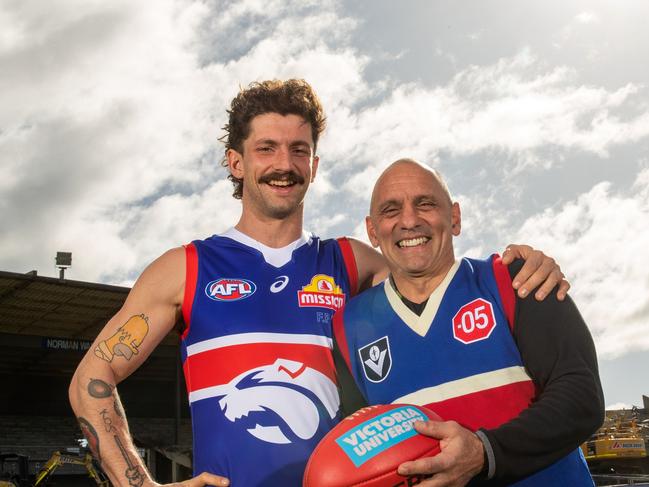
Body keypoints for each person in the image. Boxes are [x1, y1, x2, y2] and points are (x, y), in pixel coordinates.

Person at [69, 80, 570, 487]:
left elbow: (435, 272)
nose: (283, 164)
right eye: (266, 148)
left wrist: (520, 265)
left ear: (314, 164)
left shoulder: (351, 261)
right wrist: (139, 486)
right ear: (236, 162)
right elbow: (91, 382)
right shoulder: (186, 267)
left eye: (298, 150)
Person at [332, 159, 604, 486]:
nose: (409, 220)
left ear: (455, 217)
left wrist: (484, 452)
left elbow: (581, 397)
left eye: (426, 204)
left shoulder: (516, 279)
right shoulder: (348, 328)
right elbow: (364, 453)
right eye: (390, 210)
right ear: (372, 231)